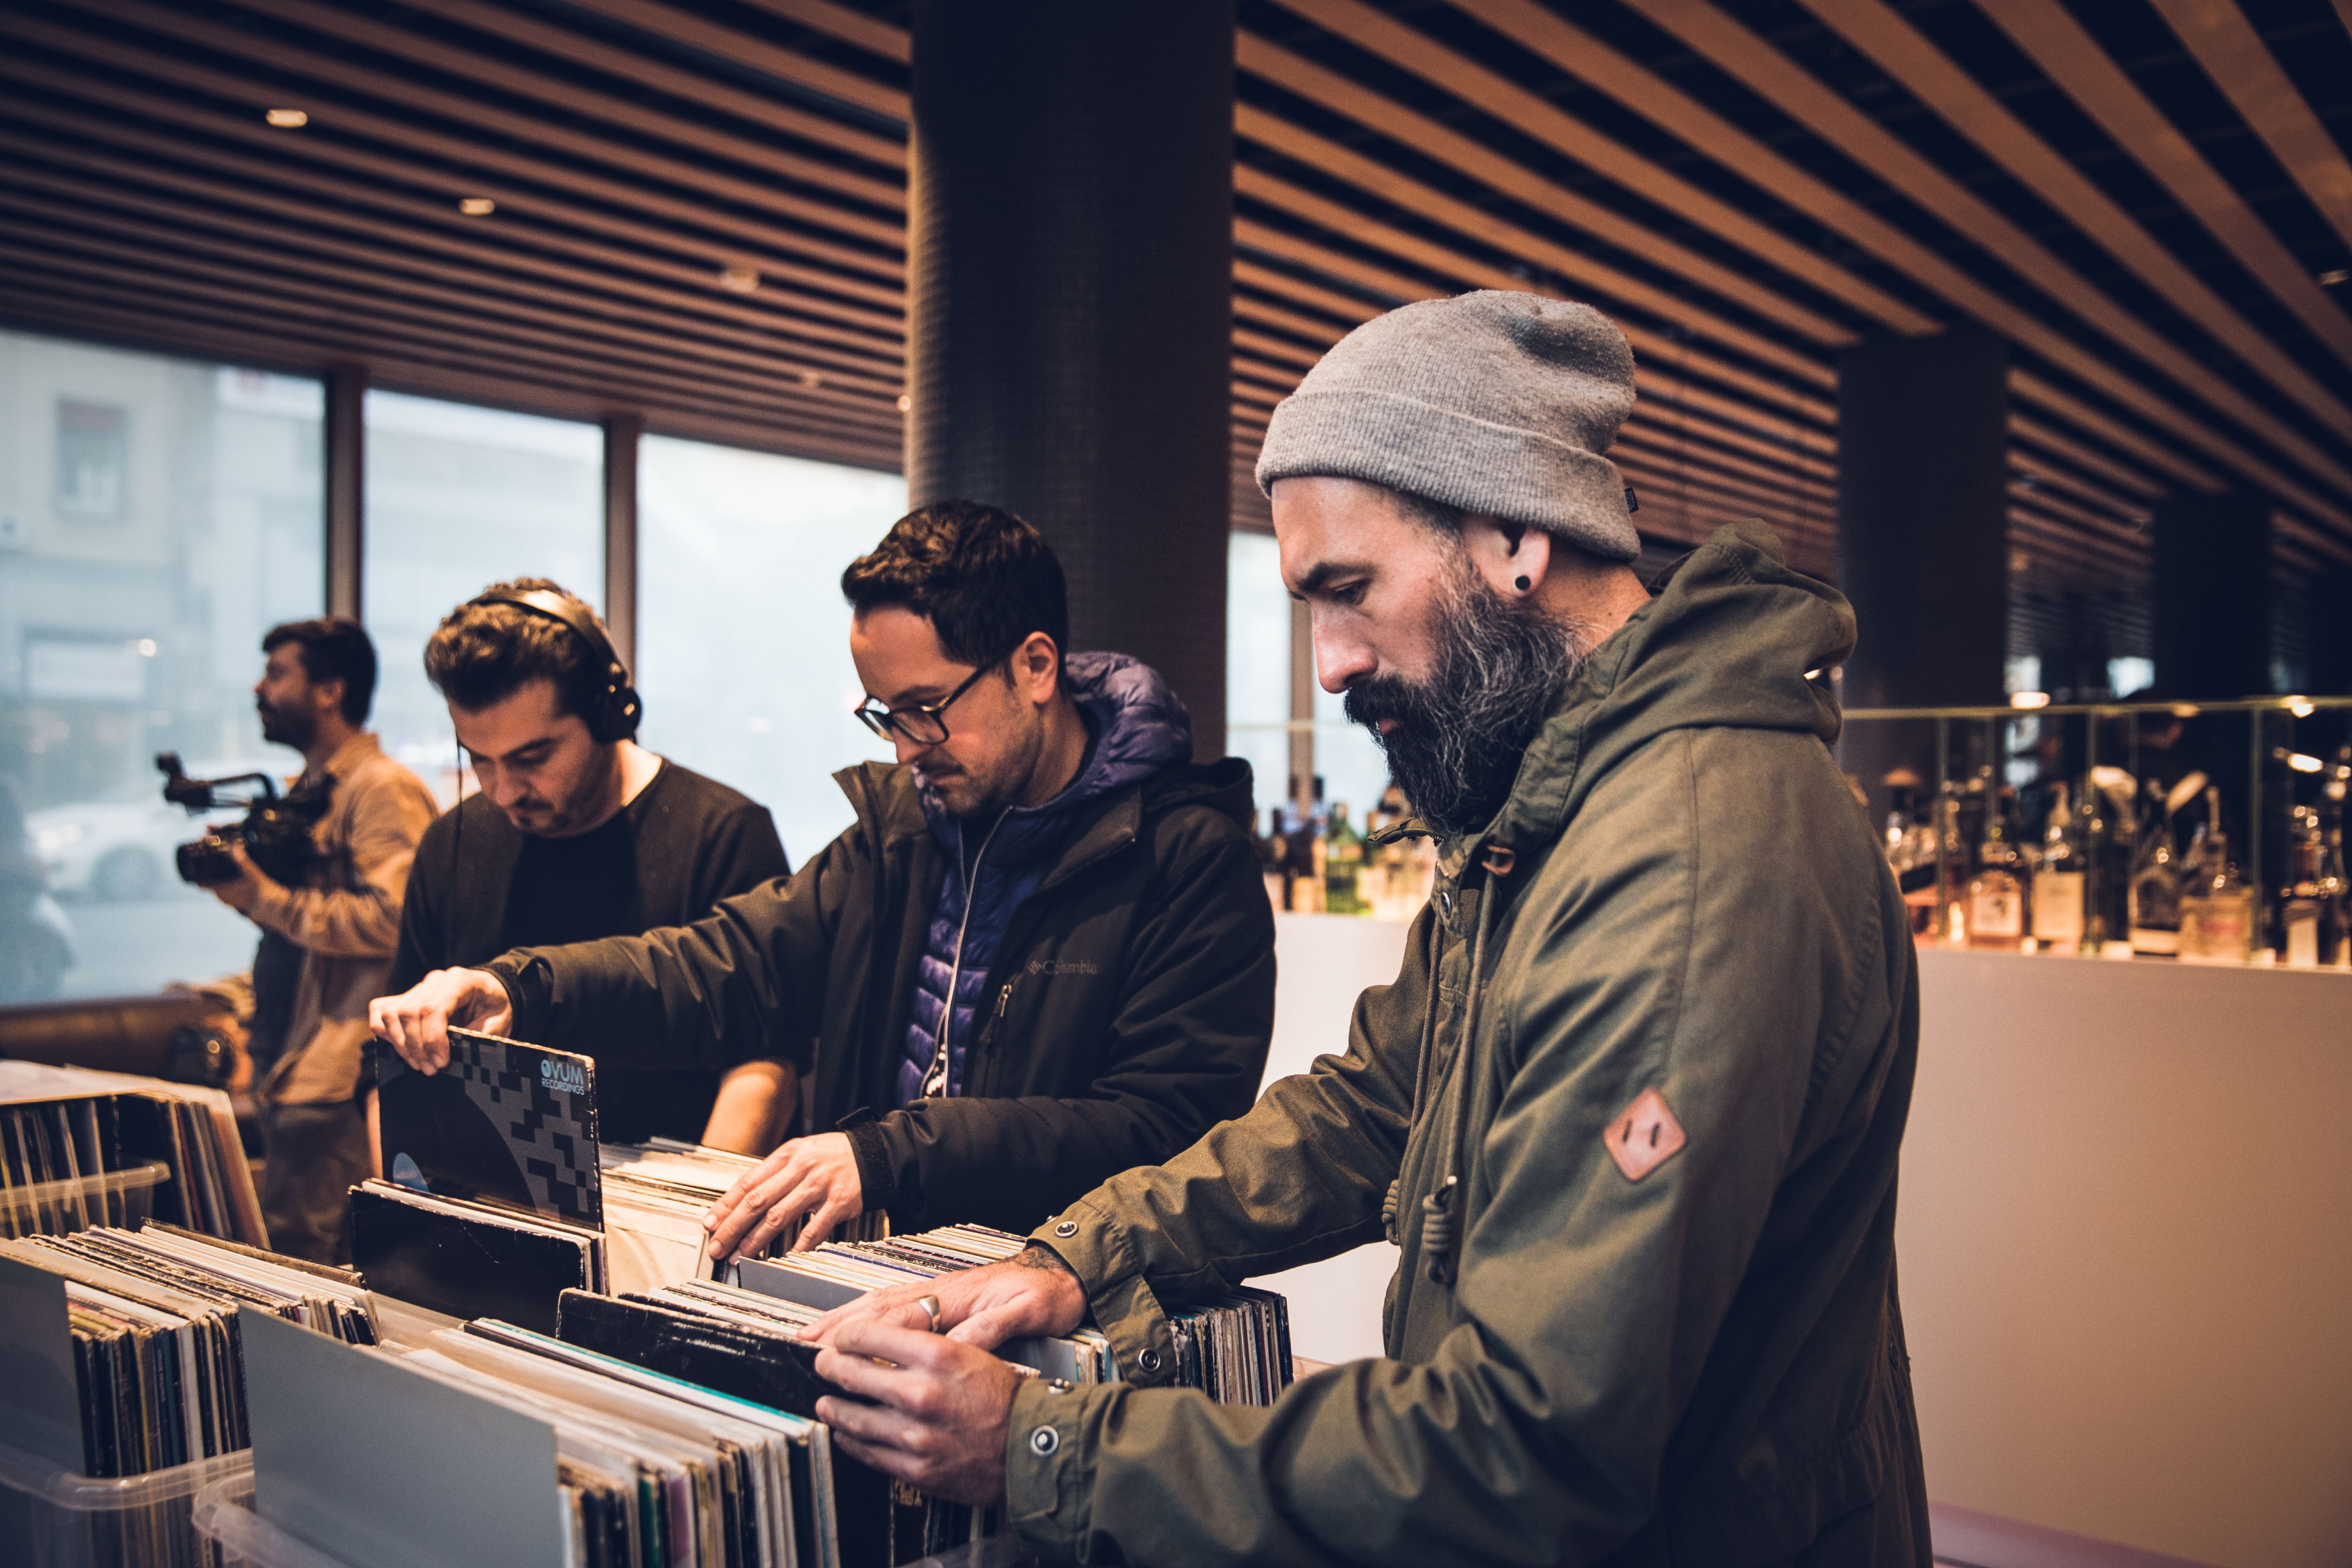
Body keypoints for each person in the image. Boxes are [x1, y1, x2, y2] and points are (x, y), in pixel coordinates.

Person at [796, 293, 1933, 1566]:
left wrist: (1045, 1446)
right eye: (1306, 606)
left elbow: (1527, 1447)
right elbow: (1376, 1103)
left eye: (1348, 589)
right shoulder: (1554, 805)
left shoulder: (1678, 862)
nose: (1328, 662)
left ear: (1514, 532)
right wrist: (1083, 1254)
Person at [371, 503, 1274, 1253]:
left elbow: (1160, 1129)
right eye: (886, 714)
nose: (906, 748)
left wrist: (889, 1154)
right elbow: (718, 963)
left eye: (929, 710)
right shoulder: (900, 837)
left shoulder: (1188, 858)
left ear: (1035, 666)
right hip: (874, 1288)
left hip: (1072, 1310)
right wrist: (515, 988)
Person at [375, 579, 791, 1150]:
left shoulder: (724, 832)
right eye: (480, 760)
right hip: (492, 1210)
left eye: (532, 757)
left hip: (669, 1216)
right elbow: (390, 1061)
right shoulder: (452, 840)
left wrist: (691, 1228)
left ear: (609, 714)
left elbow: (765, 1069)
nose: (502, 791)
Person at [205, 618, 437, 1263]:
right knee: (292, 1248)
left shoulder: (381, 788)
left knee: (321, 1264)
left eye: (278, 673)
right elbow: (307, 926)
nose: (260, 688)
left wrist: (264, 897)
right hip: (292, 1061)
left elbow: (393, 921)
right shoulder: (310, 793)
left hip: (337, 1070)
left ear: (330, 691)